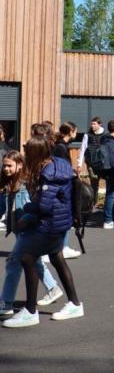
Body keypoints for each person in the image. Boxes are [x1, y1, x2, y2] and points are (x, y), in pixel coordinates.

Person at [2, 136, 83, 328]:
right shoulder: (60, 163)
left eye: (28, 152)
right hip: (61, 222)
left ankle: (30, 311)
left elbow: (44, 206)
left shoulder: (48, 173)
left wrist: (28, 211)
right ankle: (74, 303)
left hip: (50, 223)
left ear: (35, 153)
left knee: (27, 257)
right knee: (56, 257)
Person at [0, 151, 63, 319]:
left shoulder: (26, 184)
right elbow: (4, 206)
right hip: (19, 229)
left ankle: (6, 302)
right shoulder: (8, 182)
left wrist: (29, 218)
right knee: (34, 261)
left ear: (20, 165)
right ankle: (53, 288)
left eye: (9, 165)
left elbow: (36, 206)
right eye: (4, 165)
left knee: (13, 263)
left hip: (29, 230)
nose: (5, 168)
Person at [48, 122, 82, 259]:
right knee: (65, 213)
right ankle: (63, 246)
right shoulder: (61, 147)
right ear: (71, 131)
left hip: (61, 184)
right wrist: (72, 174)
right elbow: (61, 167)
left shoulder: (59, 145)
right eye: (75, 131)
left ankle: (62, 246)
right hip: (63, 186)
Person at [76, 116, 108, 202]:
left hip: (102, 162)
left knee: (106, 181)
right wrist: (79, 164)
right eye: (92, 124)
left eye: (94, 124)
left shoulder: (105, 135)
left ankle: (105, 202)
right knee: (94, 181)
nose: (92, 126)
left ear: (99, 124)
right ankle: (94, 201)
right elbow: (83, 149)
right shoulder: (88, 135)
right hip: (91, 162)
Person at [99, 120, 114, 229]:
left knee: (110, 195)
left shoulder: (107, 139)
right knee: (111, 195)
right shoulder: (111, 141)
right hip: (112, 171)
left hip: (108, 170)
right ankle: (108, 220)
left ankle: (109, 219)